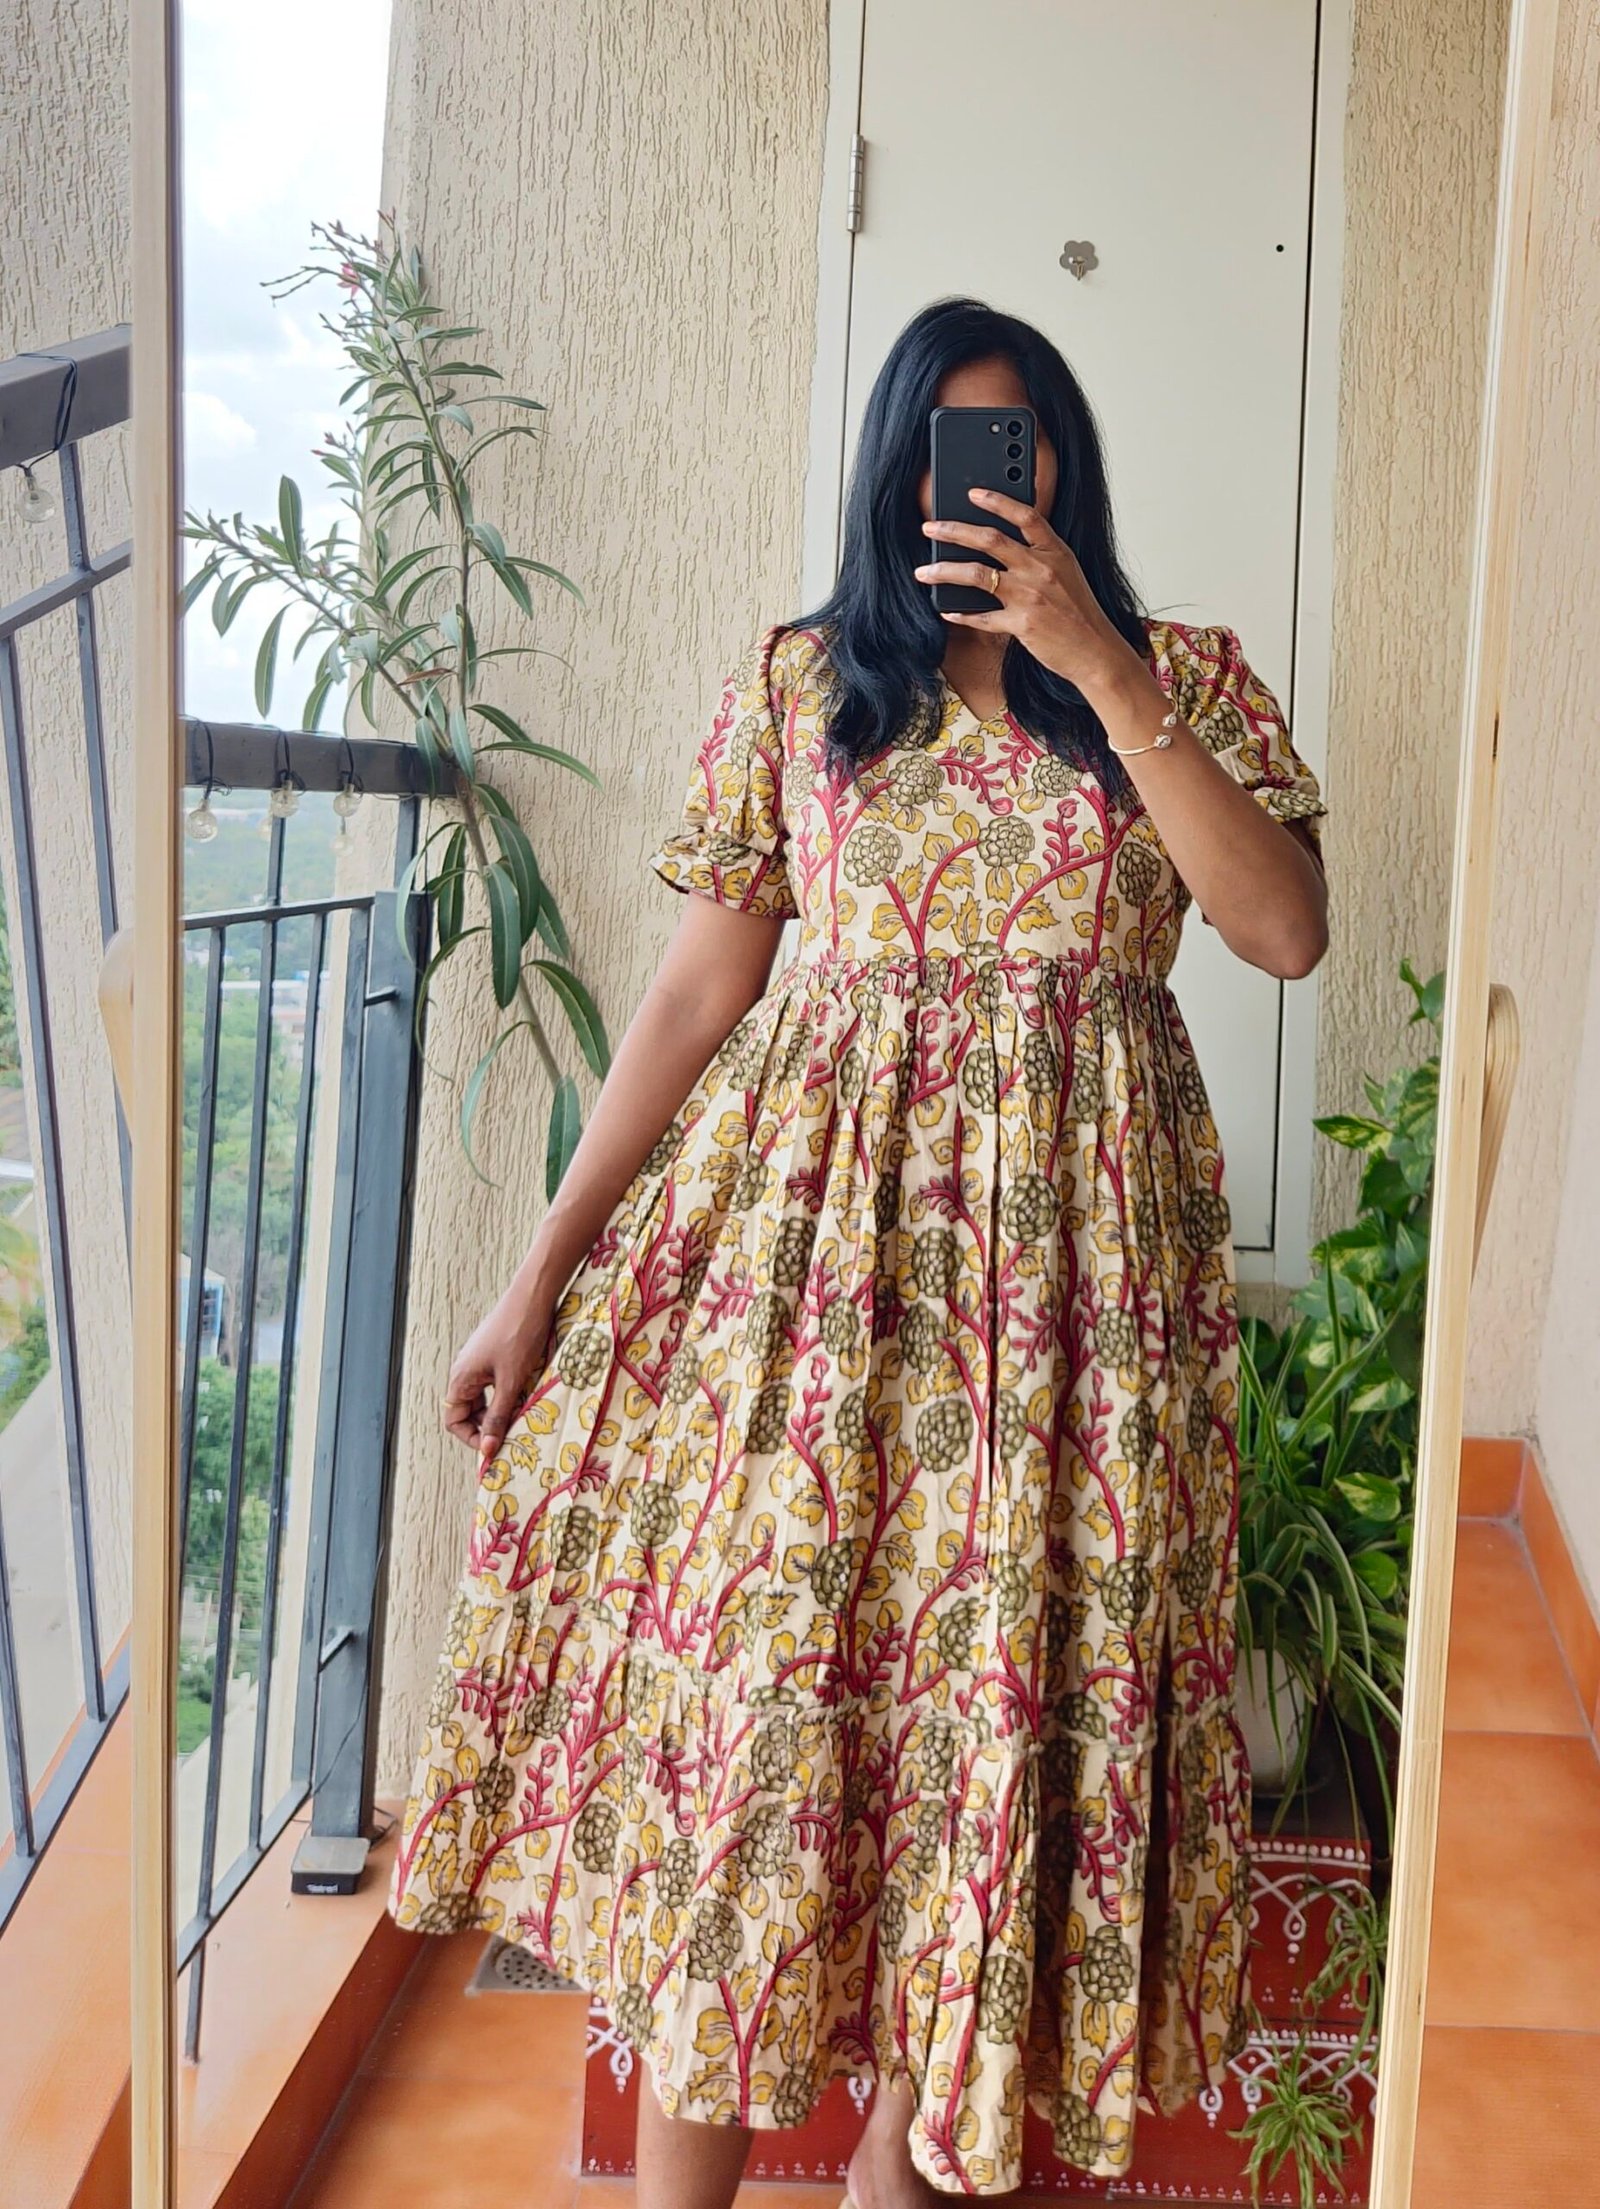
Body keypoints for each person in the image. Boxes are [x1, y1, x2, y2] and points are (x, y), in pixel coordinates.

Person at [386, 295, 1329, 2208]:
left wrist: (1096, 661)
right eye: (942, 454)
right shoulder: (807, 688)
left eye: (1014, 450)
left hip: (1075, 1322)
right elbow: (692, 996)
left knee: (989, 1722)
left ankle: (905, 2163)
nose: (975, 490)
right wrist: (537, 1272)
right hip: (817, 1299)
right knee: (767, 1731)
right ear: (895, 473)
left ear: (1062, 471)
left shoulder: (1183, 683)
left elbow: (1285, 930)